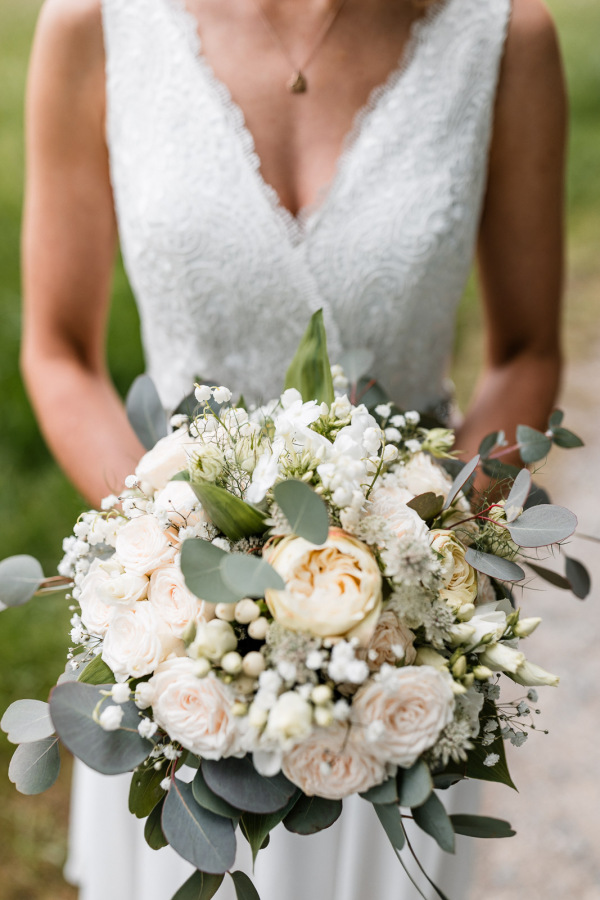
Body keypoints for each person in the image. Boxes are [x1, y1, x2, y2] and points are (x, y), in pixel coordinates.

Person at [20, 0, 566, 897]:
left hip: (393, 660)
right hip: (179, 653)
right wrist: (170, 565)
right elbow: (59, 352)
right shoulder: (96, 23)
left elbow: (526, 353)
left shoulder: (501, 36)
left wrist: (420, 564)